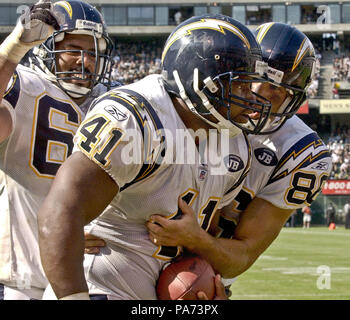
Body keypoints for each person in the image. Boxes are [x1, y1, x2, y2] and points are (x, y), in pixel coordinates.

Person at [38, 14, 272, 300]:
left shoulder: (235, 145)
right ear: (201, 81)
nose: (250, 98)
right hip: (100, 287)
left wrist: (206, 285)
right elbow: (60, 210)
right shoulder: (136, 119)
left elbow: (208, 245)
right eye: (240, 85)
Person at [146, 23, 331, 284]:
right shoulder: (199, 105)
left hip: (207, 269)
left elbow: (245, 251)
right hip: (141, 246)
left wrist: (196, 241)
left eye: (275, 90)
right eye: (252, 80)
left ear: (294, 101)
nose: (257, 97)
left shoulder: (302, 153)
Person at [0, 0, 114, 300]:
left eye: (92, 53)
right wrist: (12, 51)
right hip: (21, 281)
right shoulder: (23, 85)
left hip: (87, 277)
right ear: (44, 48)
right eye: (73, 50)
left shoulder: (112, 100)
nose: (85, 61)